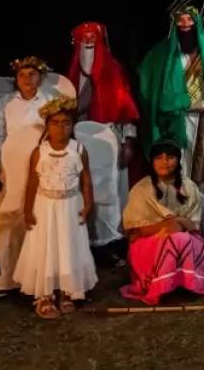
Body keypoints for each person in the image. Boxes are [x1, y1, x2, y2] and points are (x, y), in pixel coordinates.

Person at [12, 95, 98, 319]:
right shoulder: (39, 151)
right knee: (46, 247)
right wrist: (27, 210)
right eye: (55, 123)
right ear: (47, 125)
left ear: (72, 126)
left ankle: (68, 290)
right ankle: (45, 293)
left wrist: (88, 204)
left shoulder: (78, 149)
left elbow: (86, 180)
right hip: (45, 207)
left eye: (66, 123)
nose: (60, 128)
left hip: (70, 206)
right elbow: (32, 181)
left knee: (69, 246)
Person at [121, 139, 204, 305]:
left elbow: (194, 226)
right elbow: (137, 230)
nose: (164, 162)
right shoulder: (141, 189)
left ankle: (186, 283)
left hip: (183, 239)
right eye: (159, 157)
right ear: (152, 162)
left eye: (170, 157)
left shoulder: (189, 187)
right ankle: (164, 285)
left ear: (178, 161)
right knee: (178, 239)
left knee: (181, 239)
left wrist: (177, 222)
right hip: (149, 243)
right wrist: (166, 227)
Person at [66, 21, 140, 253]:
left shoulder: (114, 70)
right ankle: (84, 242)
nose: (88, 42)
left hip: (109, 137)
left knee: (111, 191)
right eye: (84, 39)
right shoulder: (70, 75)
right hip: (80, 139)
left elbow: (125, 109)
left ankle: (112, 244)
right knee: (83, 188)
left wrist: (128, 141)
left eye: (93, 39)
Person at [0, 56, 55, 291]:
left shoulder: (50, 102)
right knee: (9, 219)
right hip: (12, 168)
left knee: (38, 218)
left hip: (41, 168)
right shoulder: (6, 103)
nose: (27, 79)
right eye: (22, 75)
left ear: (40, 77)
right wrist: (0, 166)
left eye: (32, 74)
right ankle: (5, 279)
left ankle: (37, 277)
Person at [138, 7, 204, 187]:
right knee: (177, 170)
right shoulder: (161, 54)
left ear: (197, 22)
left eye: (189, 19)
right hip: (175, 121)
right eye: (180, 20)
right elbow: (147, 81)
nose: (185, 24)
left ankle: (200, 210)